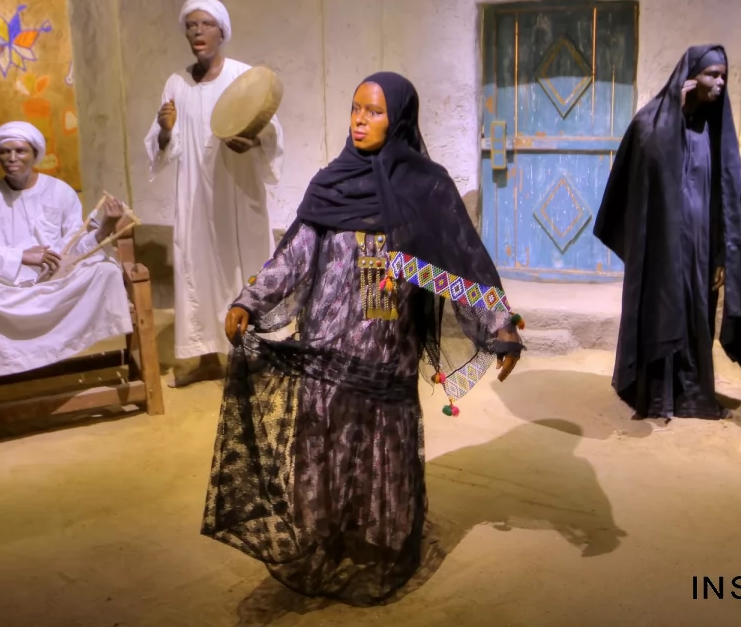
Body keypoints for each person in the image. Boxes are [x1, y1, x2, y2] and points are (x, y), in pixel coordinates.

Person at [201, 73, 524, 604]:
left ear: (396, 119)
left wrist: (498, 324)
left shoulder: (426, 187)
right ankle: (325, 531)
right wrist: (248, 299)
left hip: (384, 346)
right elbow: (295, 256)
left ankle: (382, 538)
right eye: (355, 108)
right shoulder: (331, 182)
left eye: (373, 111)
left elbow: (456, 265)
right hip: (326, 340)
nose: (359, 119)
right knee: (322, 427)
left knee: (380, 438)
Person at [594, 45, 741, 422]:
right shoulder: (655, 120)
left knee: (696, 315)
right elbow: (644, 159)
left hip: (699, 247)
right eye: (712, 74)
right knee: (664, 311)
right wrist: (674, 119)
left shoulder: (715, 130)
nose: (719, 82)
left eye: (723, 76)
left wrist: (721, 255)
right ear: (690, 77)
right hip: (662, 244)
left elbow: (727, 198)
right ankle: (657, 396)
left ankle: (693, 396)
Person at [143, 0, 284, 388]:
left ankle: (249, 357)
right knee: (197, 268)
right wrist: (167, 128)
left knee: (243, 268)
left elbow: (273, 133)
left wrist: (253, 143)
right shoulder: (176, 82)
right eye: (191, 26)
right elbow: (161, 146)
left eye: (205, 25)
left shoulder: (244, 76)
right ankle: (205, 357)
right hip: (195, 198)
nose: (197, 32)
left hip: (237, 191)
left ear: (222, 31)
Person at [0, 121, 132, 382]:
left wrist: (105, 228)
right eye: (5, 152)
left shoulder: (60, 192)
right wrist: (22, 256)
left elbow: (75, 247)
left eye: (20, 151)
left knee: (105, 271)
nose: (12, 158)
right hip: (9, 290)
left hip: (56, 286)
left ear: (35, 154)